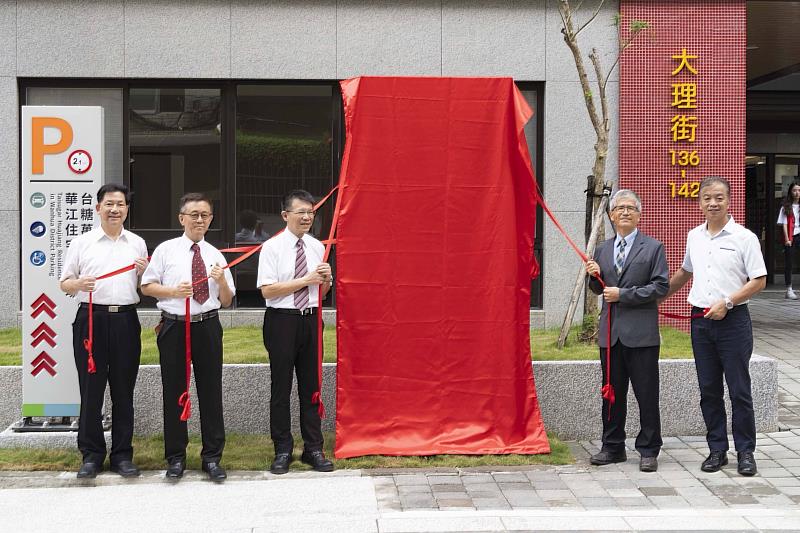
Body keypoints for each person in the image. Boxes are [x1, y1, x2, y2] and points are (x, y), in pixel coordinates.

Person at [666, 176, 766, 476]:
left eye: (719, 197)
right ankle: (717, 450)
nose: (713, 202)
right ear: (700, 203)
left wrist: (729, 302)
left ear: (728, 200)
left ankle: (746, 452)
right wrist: (656, 297)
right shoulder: (694, 236)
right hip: (700, 322)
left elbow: (758, 281)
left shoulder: (744, 238)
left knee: (739, 390)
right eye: (707, 197)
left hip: (733, 321)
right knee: (708, 390)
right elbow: (685, 272)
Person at [141, 193, 235, 482]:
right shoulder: (166, 250)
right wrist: (172, 292)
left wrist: (220, 281)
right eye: (193, 214)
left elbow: (228, 300)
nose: (199, 220)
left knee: (210, 392)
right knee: (174, 391)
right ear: (181, 218)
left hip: (207, 325)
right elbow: (147, 286)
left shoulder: (215, 254)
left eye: (205, 215)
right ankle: (176, 457)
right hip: (174, 326)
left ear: (211, 220)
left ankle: (212, 457)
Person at [59, 183, 148, 479]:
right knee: (91, 390)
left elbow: (142, 285)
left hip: (125, 320)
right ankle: (91, 455)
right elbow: (65, 283)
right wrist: (78, 284)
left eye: (120, 204)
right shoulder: (82, 243)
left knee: (124, 391)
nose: (114, 209)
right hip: (91, 320)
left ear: (127, 209)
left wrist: (145, 271)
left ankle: (123, 455)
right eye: (109, 204)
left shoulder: (137, 243)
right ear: (98, 208)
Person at [584, 190, 669, 472]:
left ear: (639, 215)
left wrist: (624, 294)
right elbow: (600, 289)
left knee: (646, 395)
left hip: (642, 335)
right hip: (611, 334)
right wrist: (593, 275)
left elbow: (660, 287)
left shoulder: (653, 247)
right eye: (619, 208)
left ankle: (648, 449)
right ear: (611, 215)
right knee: (611, 393)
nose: (624, 212)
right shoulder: (602, 249)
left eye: (630, 208)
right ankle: (612, 446)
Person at [257, 189, 334, 474]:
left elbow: (321, 292)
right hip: (282, 320)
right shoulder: (272, 247)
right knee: (281, 387)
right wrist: (306, 279)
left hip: (311, 319)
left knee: (311, 387)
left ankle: (313, 447)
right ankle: (282, 449)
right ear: (285, 215)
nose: (306, 217)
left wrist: (325, 280)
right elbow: (268, 290)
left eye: (310, 212)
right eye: (300, 212)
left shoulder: (317, 247)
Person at [778, 182, 800, 299]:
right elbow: (784, 224)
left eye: (799, 190)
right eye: (795, 190)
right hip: (791, 236)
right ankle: (789, 289)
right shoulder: (785, 207)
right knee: (789, 263)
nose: (797, 193)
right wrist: (787, 239)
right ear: (791, 192)